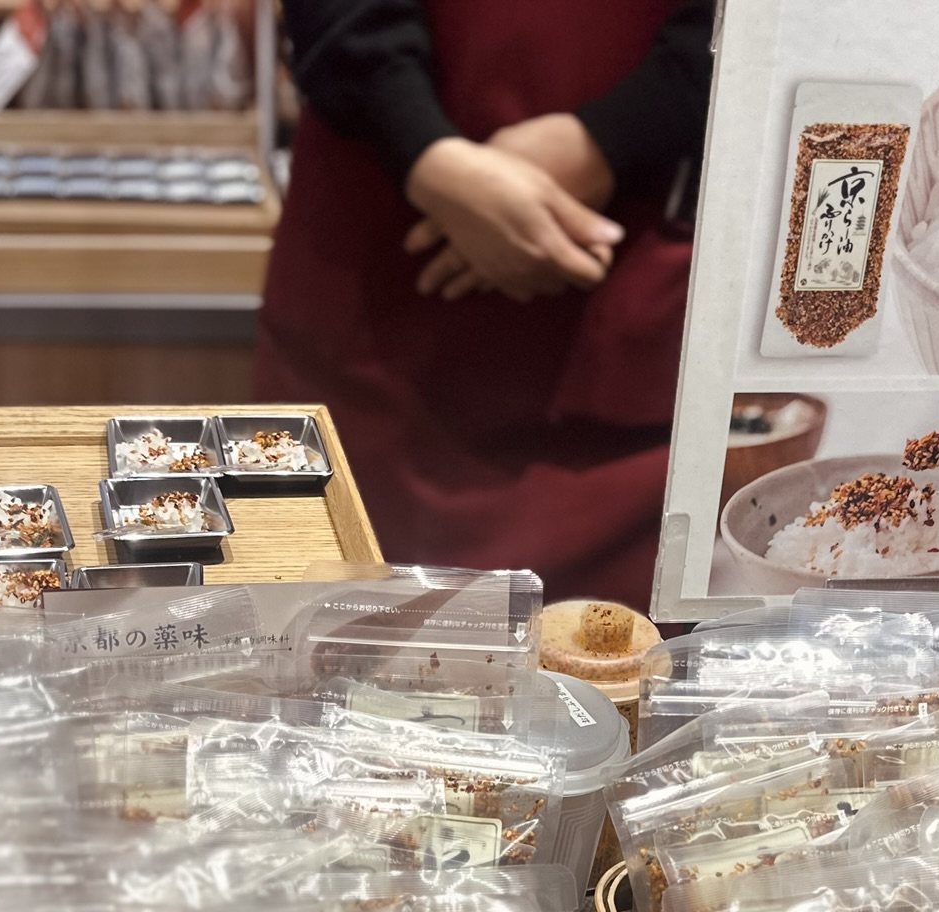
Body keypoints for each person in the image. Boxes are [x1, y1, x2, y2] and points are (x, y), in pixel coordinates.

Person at [254, 0, 715, 607]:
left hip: (628, 286)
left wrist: (605, 139)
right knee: (319, 655)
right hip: (374, 250)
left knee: (604, 677)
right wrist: (425, 152)